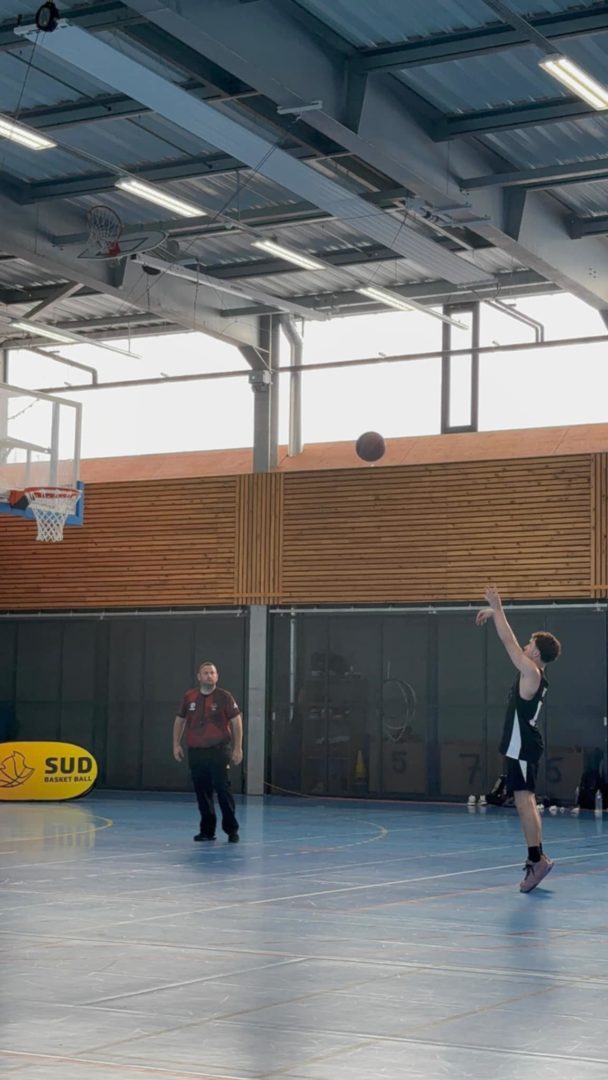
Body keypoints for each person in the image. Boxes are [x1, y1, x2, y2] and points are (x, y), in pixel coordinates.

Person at [476, 586, 561, 893]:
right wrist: (495, 613)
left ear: (536, 653)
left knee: (525, 802)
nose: (525, 646)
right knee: (527, 801)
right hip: (523, 744)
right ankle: (538, 857)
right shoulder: (534, 673)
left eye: (530, 644)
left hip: (522, 745)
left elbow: (508, 642)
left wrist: (497, 608)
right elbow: (513, 643)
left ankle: (536, 860)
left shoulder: (532, 673)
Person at [173, 661, 243, 843]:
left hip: (219, 751)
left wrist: (238, 747)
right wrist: (176, 744)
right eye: (205, 673)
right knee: (202, 792)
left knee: (222, 789)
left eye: (212, 673)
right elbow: (180, 720)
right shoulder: (190, 697)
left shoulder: (225, 697)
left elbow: (236, 721)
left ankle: (231, 830)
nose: (209, 676)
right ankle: (207, 831)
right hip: (196, 752)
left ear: (217, 676)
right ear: (199, 676)